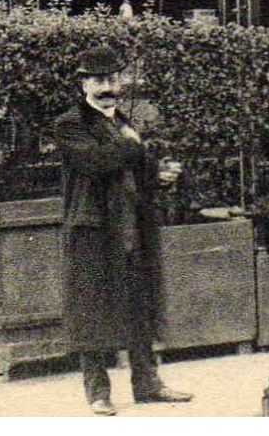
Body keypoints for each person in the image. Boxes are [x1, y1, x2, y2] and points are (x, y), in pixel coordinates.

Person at [50, 46, 193, 415]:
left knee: (139, 304)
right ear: (84, 83)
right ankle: (98, 393)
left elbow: (133, 170)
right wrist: (132, 148)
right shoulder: (71, 123)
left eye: (113, 79)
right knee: (92, 310)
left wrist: (159, 176)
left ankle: (147, 384)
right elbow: (96, 162)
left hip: (131, 226)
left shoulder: (125, 123)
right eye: (99, 80)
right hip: (93, 228)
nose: (108, 86)